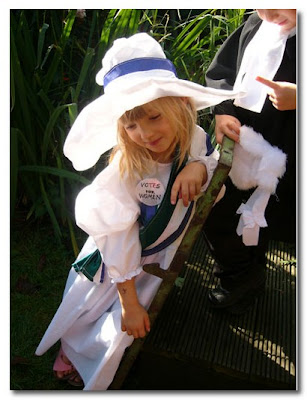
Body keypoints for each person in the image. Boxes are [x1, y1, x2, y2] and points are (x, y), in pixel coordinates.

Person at [35, 32, 241, 390]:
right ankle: (73, 359)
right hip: (119, 266)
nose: (143, 134)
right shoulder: (128, 169)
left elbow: (210, 171)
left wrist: (201, 168)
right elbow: (118, 237)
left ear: (178, 106)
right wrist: (128, 302)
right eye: (130, 125)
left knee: (129, 325)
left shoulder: (191, 137)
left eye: (153, 117)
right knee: (99, 318)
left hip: (155, 260)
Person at [203, 9, 296, 313]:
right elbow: (225, 71)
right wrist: (223, 110)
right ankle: (239, 276)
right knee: (221, 214)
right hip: (242, 147)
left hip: (288, 156)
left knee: (265, 218)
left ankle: (250, 272)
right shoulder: (258, 24)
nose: (269, 11)